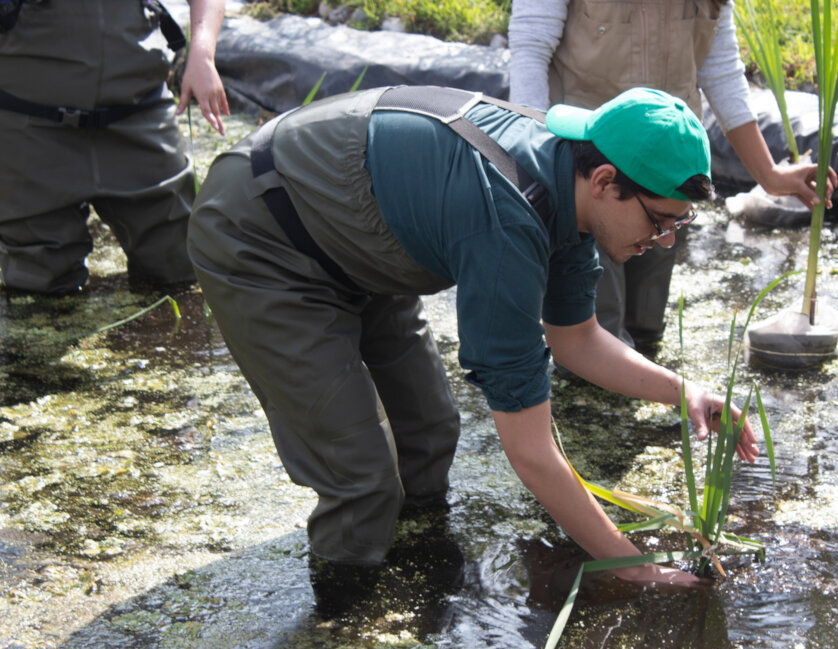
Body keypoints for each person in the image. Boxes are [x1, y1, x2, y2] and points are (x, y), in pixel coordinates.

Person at [187, 84, 760, 616]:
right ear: (607, 181)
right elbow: (531, 452)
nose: (664, 242)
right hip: (263, 230)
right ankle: (343, 626)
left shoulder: (570, 184)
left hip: (361, 235)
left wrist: (682, 391)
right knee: (360, 478)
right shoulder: (506, 220)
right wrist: (631, 568)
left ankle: (417, 589)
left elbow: (576, 338)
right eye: (660, 222)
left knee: (430, 434)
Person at [509, 0, 837, 350]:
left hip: (670, 181)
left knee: (647, 325)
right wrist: (538, 162)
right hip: (592, 175)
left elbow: (721, 71)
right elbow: (530, 49)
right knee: (595, 333)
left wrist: (770, 175)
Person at [0, 0, 229, 295]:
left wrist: (202, 54)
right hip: (28, 127)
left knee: (182, 269)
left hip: (140, 116)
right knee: (38, 289)